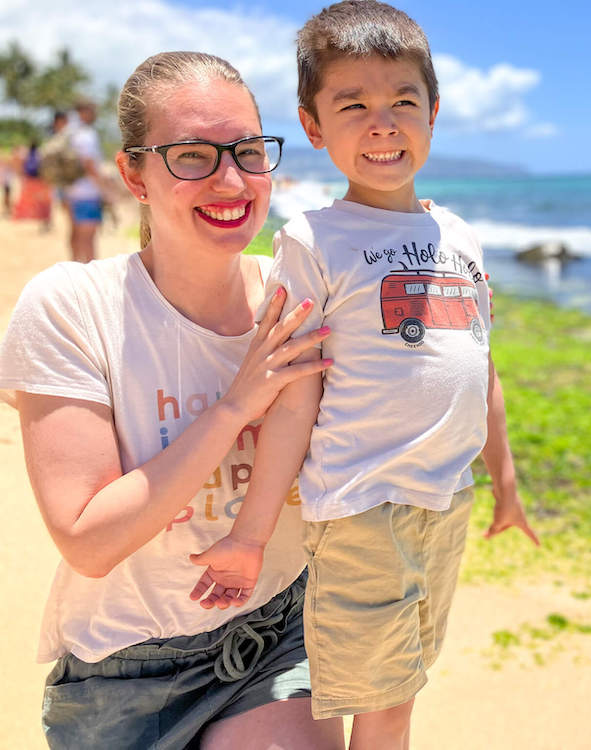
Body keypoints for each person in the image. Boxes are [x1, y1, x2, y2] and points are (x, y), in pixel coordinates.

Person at [190, 2, 540, 747]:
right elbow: (293, 396)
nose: (382, 123)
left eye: (402, 102)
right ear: (313, 128)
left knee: (404, 690)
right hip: (362, 508)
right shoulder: (314, 240)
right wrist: (251, 534)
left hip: (447, 500)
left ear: (434, 113)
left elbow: (480, 371)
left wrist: (505, 484)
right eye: (353, 105)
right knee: (381, 706)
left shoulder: (460, 235)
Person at [0, 51, 344, 749]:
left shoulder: (299, 296)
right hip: (125, 676)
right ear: (134, 174)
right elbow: (90, 540)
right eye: (193, 155)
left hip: (277, 634)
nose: (230, 179)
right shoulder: (74, 307)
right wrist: (232, 408)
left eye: (248, 152)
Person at [64, 99, 106, 262]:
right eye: (92, 110)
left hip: (70, 191)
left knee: (75, 233)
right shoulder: (87, 134)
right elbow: (89, 164)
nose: (95, 114)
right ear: (84, 112)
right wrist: (103, 187)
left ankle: (74, 268)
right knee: (89, 237)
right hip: (87, 193)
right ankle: (89, 276)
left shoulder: (69, 132)